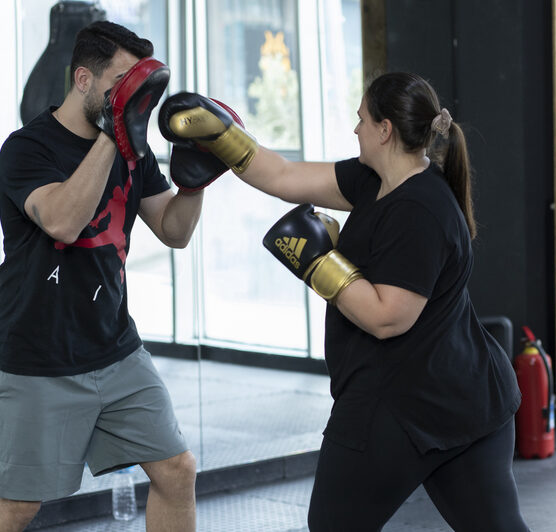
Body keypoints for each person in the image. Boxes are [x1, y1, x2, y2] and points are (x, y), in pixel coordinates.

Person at [159, 72, 530, 531]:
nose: (355, 129)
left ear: (385, 130)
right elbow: (284, 176)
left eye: (361, 120)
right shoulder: (373, 180)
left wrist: (319, 261)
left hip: (406, 409)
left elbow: (388, 318)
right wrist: (224, 136)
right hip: (460, 396)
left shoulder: (420, 211)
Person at [0, 21, 216, 532]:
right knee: (17, 507)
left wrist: (196, 180)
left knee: (176, 470)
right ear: (82, 79)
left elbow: (173, 229)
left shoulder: (131, 149)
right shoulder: (26, 148)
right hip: (37, 356)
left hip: (115, 349)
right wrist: (114, 135)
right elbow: (62, 221)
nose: (132, 98)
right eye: (119, 83)